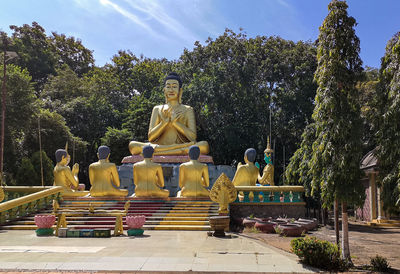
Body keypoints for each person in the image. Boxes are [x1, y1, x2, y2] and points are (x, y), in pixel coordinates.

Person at [129, 72, 209, 156]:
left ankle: (155, 153)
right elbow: (151, 137)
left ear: (180, 90)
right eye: (168, 87)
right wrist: (163, 123)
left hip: (174, 146)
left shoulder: (188, 109)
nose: (171, 90)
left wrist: (176, 123)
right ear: (164, 90)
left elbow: (192, 137)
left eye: (174, 86)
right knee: (133, 145)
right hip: (167, 146)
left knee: (204, 145)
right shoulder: (157, 109)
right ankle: (176, 151)